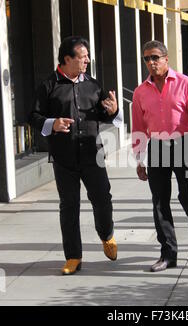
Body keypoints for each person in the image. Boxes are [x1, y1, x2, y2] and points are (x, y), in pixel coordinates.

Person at [29, 36, 122, 275]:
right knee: (69, 207)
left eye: (87, 56)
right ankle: (73, 257)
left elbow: (105, 113)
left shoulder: (92, 84)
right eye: (83, 57)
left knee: (103, 200)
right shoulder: (48, 85)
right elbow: (33, 116)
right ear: (67, 59)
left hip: (93, 156)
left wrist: (113, 112)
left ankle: (107, 235)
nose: (87, 60)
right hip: (64, 160)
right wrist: (53, 123)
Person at [132, 40, 188, 272]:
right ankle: (168, 254)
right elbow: (138, 126)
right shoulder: (140, 92)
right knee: (159, 202)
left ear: (166, 59)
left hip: (184, 144)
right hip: (156, 147)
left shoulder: (186, 84)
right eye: (147, 59)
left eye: (155, 57)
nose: (151, 63)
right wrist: (139, 159)